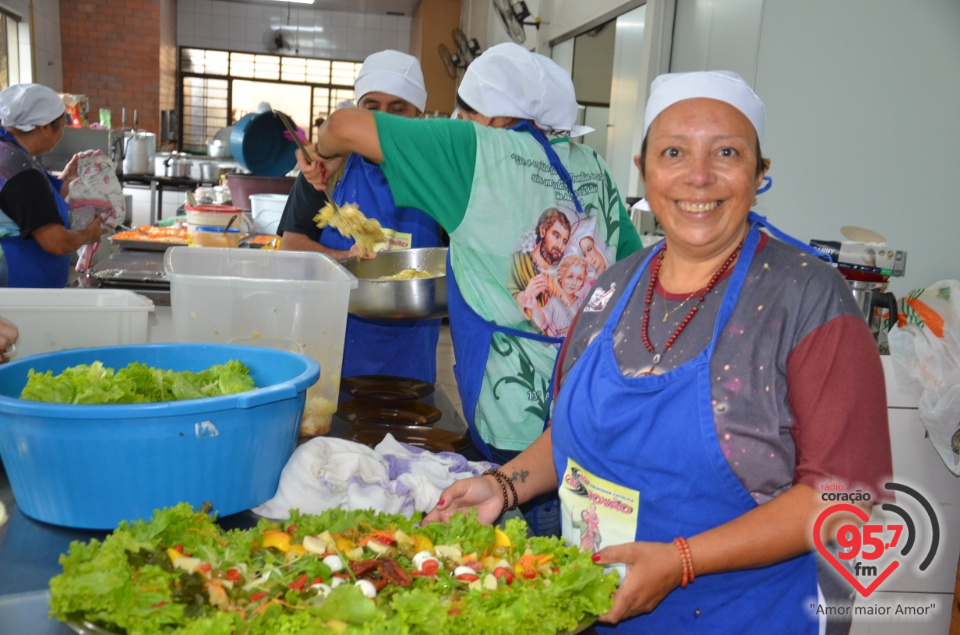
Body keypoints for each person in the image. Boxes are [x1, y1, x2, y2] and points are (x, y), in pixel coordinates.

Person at [425, 70, 893, 633]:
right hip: (600, 609)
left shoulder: (806, 298)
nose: (698, 177)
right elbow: (577, 435)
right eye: (674, 152)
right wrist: (504, 484)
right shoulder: (611, 288)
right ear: (644, 169)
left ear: (760, 172)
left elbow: (847, 496)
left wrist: (682, 561)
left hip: (746, 616)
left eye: (726, 152)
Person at [298, 42, 643, 535]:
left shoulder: (477, 150)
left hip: (513, 430)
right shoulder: (594, 167)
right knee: (579, 550)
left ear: (497, 117)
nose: (457, 117)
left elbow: (342, 125)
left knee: (519, 557)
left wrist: (324, 156)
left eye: (466, 108)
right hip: (591, 410)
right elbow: (633, 274)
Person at [277, 50, 443, 384]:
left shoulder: (438, 178)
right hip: (331, 343)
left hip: (409, 354)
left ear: (419, 116)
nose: (381, 121)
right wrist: (345, 260)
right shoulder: (327, 171)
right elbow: (291, 247)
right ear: (357, 110)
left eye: (398, 110)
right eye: (372, 108)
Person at [0, 83, 104, 288]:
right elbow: (55, 242)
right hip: (20, 287)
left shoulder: (9, 153)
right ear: (44, 128)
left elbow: (32, 205)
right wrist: (88, 235)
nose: (62, 134)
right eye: (62, 127)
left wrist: (66, 178)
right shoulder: (22, 174)